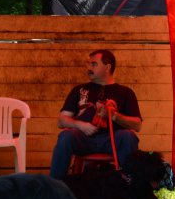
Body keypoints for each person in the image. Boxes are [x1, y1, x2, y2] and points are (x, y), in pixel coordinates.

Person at [49, 49, 142, 179]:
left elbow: (137, 125)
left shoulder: (125, 92)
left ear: (107, 67)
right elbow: (61, 120)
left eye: (94, 64)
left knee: (128, 136)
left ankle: (129, 186)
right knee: (66, 136)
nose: (89, 67)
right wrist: (80, 125)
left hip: (112, 140)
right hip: (84, 139)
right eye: (89, 64)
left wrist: (113, 116)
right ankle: (55, 186)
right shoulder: (79, 90)